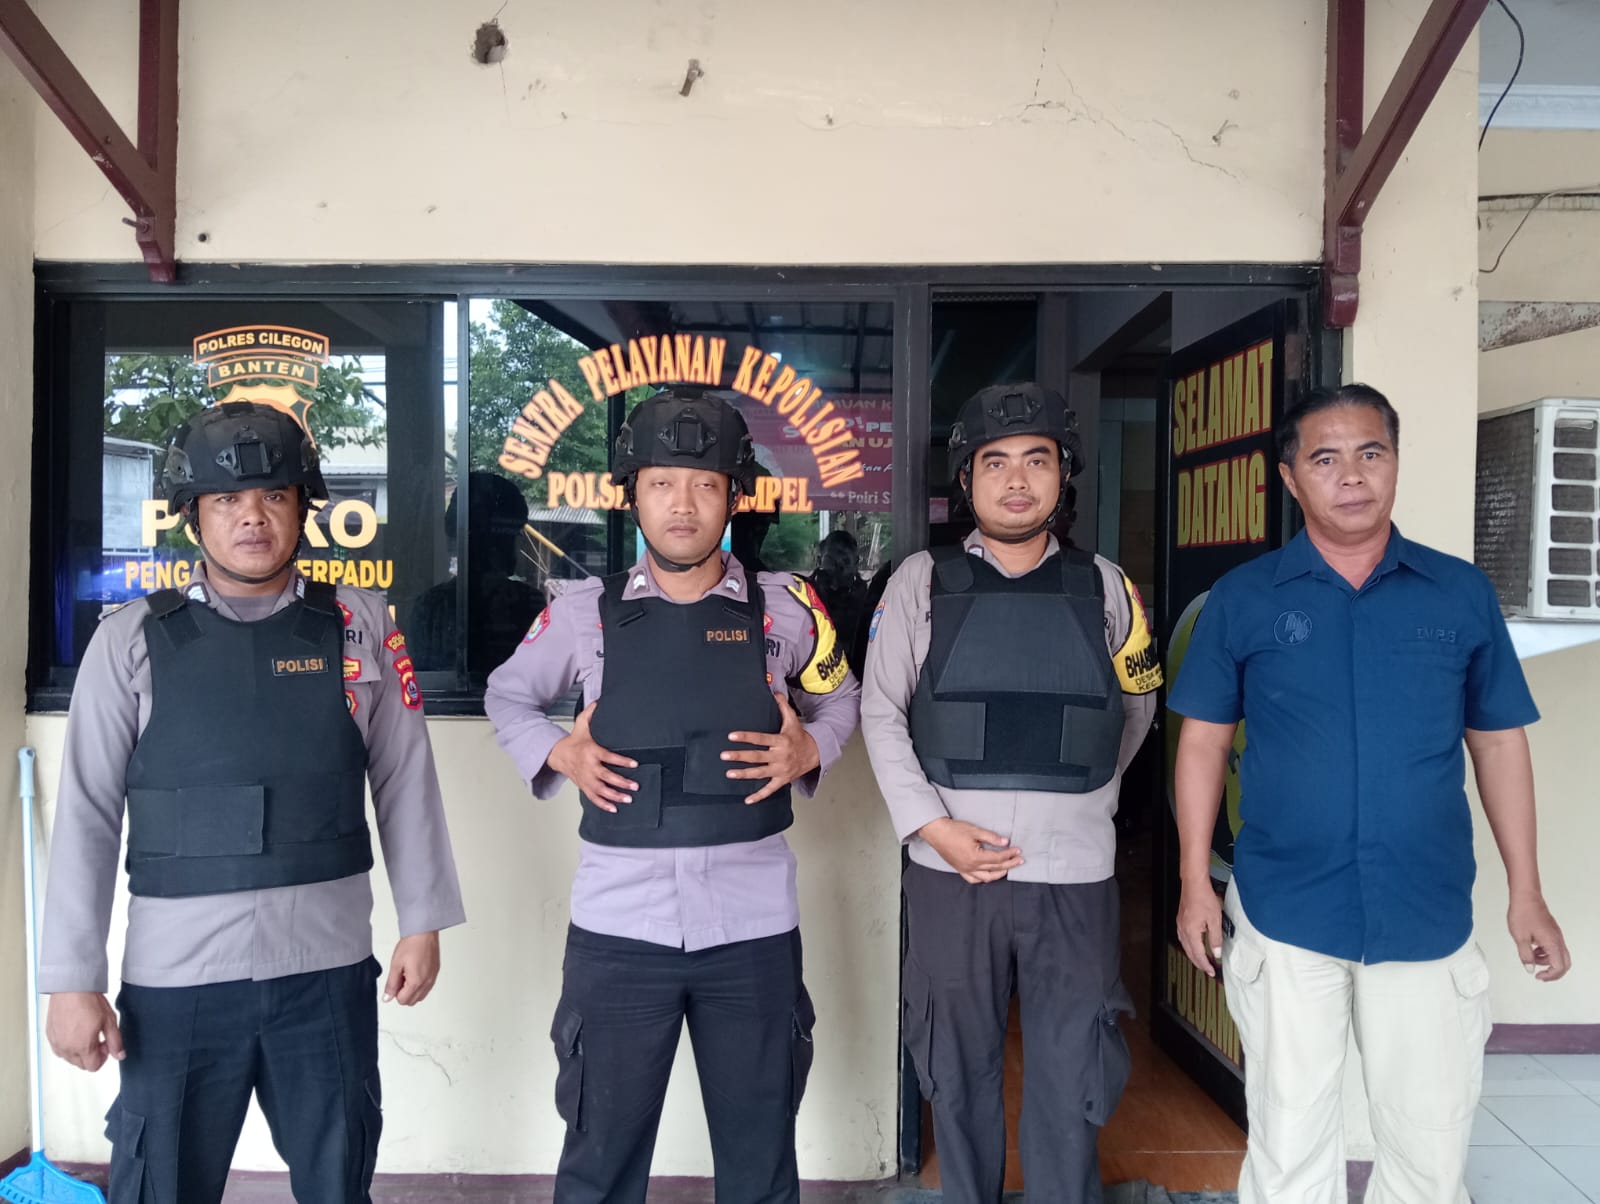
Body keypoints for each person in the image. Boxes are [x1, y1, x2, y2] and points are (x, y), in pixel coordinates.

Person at [39, 401, 466, 1204]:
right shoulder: (130, 639)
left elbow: (405, 777)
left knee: (338, 1182)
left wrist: (423, 920)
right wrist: (71, 978)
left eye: (274, 495)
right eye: (227, 499)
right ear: (192, 514)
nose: (252, 517)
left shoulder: (358, 626)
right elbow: (88, 813)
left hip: (326, 971)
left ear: (303, 507)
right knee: (160, 1184)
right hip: (177, 981)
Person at [1168, 383, 1571, 1204]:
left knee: (1428, 1149)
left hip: (1425, 912)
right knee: (1289, 1143)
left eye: (1370, 453)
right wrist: (1191, 882)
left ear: (1395, 461)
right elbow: (1202, 742)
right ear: (1290, 479)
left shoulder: (1459, 593)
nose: (1351, 476)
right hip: (1285, 911)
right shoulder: (1245, 598)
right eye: (1325, 459)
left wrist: (1526, 891)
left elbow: (1498, 741)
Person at [484, 386, 860, 1204]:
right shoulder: (582, 612)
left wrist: (811, 746)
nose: (683, 504)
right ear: (633, 493)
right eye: (661, 483)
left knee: (761, 1162)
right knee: (600, 1162)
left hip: (753, 929)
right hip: (620, 929)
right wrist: (559, 752)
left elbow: (840, 698)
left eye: (704, 484)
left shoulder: (787, 611)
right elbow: (507, 695)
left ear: (733, 495)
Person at [861, 382, 1161, 1203]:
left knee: (1074, 1071)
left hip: (1076, 877)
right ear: (967, 480)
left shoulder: (1108, 586)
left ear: (1065, 474)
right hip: (951, 872)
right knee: (956, 1067)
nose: (1017, 480)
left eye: (1038, 460)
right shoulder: (919, 581)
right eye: (995, 463)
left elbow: (1136, 709)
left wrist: (1080, 803)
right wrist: (933, 828)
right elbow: (880, 712)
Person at [404, 470, 545, 676]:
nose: (519, 543)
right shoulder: (529, 604)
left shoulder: (430, 607)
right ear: (499, 542)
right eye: (515, 534)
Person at [807, 529, 869, 679]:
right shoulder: (807, 595)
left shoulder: (865, 600)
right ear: (819, 561)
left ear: (856, 563)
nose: (838, 569)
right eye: (831, 562)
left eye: (845, 562)